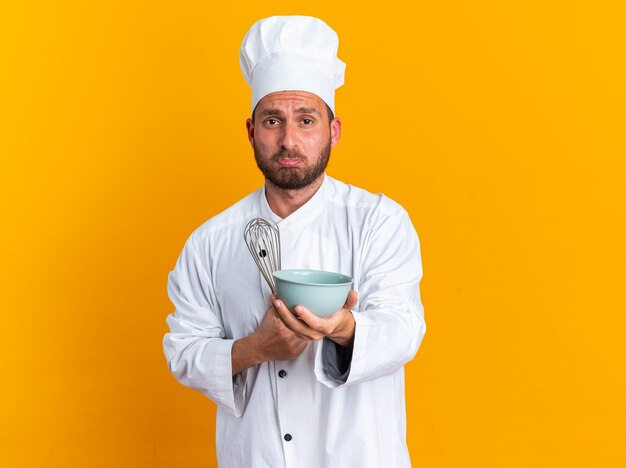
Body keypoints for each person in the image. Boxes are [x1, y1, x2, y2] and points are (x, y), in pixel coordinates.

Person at [163, 15, 426, 468]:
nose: (289, 140)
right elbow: (183, 351)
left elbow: (404, 330)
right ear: (251, 131)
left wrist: (341, 329)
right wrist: (256, 348)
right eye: (272, 121)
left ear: (333, 131)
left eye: (306, 120)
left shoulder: (378, 221)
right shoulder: (210, 243)